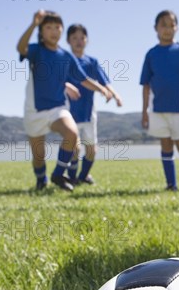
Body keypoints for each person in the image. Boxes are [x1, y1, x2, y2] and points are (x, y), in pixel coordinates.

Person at [17, 10, 111, 192]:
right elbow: (21, 48)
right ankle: (41, 179)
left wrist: (102, 89)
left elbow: (84, 79)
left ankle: (59, 173)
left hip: (57, 108)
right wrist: (33, 24)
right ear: (41, 31)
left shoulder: (66, 57)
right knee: (38, 155)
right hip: (34, 110)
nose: (53, 31)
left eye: (57, 27)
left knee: (71, 132)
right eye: (48, 27)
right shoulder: (37, 50)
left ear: (62, 30)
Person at [140, 10, 179, 191]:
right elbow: (145, 85)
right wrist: (144, 111)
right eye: (164, 25)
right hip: (158, 109)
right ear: (156, 28)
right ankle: (171, 184)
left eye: (171, 25)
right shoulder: (151, 54)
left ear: (177, 28)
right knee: (166, 145)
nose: (168, 29)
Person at [66, 24, 123, 185]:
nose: (79, 41)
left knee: (91, 150)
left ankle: (83, 176)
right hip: (70, 112)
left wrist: (116, 95)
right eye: (74, 38)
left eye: (82, 38)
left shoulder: (92, 62)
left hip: (88, 112)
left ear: (87, 40)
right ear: (68, 41)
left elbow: (104, 81)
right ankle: (71, 178)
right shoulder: (65, 61)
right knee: (74, 148)